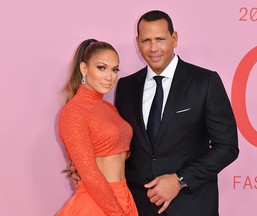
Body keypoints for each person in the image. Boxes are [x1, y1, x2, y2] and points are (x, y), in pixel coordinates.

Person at [67, 10, 239, 216]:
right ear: (138, 42)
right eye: (146, 40)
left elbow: (227, 146)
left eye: (160, 39)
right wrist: (85, 162)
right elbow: (122, 141)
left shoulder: (205, 82)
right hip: (138, 205)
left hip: (191, 205)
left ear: (174, 39)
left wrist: (180, 179)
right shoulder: (126, 86)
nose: (153, 48)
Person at [57, 39, 138, 216]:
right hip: (97, 203)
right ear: (84, 69)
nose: (110, 76)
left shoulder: (110, 109)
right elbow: (91, 174)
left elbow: (117, 153)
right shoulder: (73, 112)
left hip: (124, 196)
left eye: (114, 69)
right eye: (102, 68)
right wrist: (117, 213)